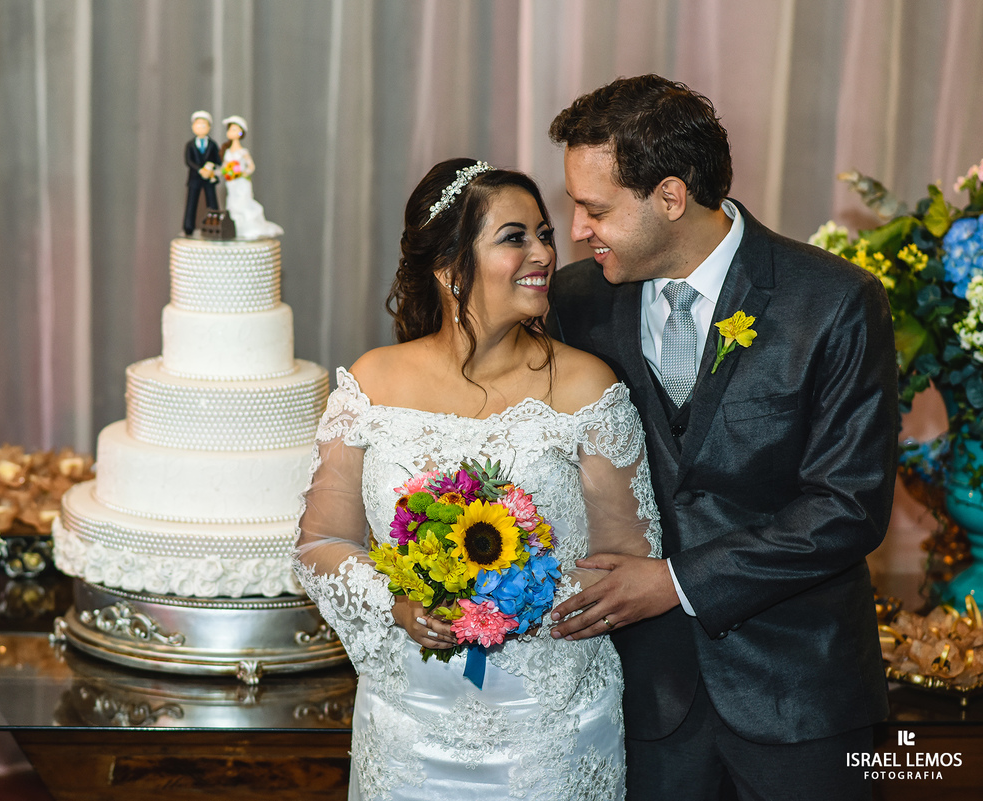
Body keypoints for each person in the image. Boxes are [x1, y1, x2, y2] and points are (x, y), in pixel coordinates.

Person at [545, 74, 897, 800]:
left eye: (595, 209)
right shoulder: (575, 302)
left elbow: (847, 505)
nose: (576, 230)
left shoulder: (833, 302)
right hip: (644, 699)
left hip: (801, 697)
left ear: (670, 198)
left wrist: (675, 581)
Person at [293, 158, 662, 800]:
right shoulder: (373, 383)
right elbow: (321, 542)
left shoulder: (587, 388)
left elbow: (629, 562)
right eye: (514, 236)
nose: (545, 252)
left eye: (544, 233)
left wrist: (516, 592)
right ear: (447, 267)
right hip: (406, 733)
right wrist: (399, 603)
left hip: (550, 735)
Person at [219, 115, 284, 239]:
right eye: (230, 129)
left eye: (234, 129)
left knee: (243, 203)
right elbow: (224, 167)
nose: (231, 132)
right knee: (232, 204)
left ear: (240, 132)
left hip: (241, 182)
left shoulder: (243, 152)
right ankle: (234, 228)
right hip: (232, 183)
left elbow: (251, 167)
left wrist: (243, 173)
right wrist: (225, 172)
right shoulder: (227, 152)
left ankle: (247, 228)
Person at [182, 110, 221, 235]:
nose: (200, 128)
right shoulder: (190, 145)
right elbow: (189, 161)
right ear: (193, 127)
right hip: (194, 178)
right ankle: (188, 226)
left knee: (212, 202)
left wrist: (211, 167)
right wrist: (200, 170)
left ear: (209, 127)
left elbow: (219, 160)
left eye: (204, 125)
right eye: (198, 125)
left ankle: (215, 224)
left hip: (209, 178)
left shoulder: (213, 145)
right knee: (191, 202)